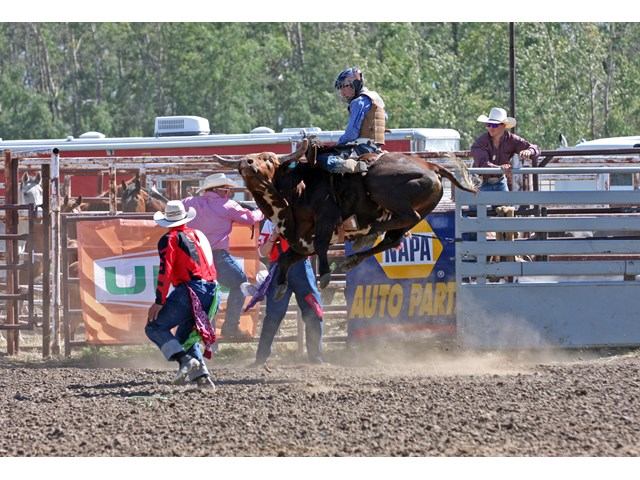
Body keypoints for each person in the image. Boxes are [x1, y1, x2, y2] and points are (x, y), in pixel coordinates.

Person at [145, 200, 218, 389]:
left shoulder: (169, 239)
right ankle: (202, 377)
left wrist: (159, 301)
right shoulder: (197, 235)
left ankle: (185, 361)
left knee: (154, 327)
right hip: (211, 291)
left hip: (190, 290)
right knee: (185, 335)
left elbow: (165, 271)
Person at [183, 173, 264, 339]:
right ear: (218, 190)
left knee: (207, 296)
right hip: (217, 256)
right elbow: (250, 219)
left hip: (195, 258)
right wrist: (261, 211)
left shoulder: (189, 203)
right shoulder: (228, 205)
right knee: (240, 284)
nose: (228, 193)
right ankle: (230, 326)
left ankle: (208, 338)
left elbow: (173, 209)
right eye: (226, 190)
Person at [251, 219, 324, 366]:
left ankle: (315, 358)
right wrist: (274, 236)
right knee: (273, 315)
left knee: (314, 312)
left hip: (300, 266)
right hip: (281, 268)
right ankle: (261, 359)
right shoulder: (271, 223)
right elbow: (262, 252)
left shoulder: (304, 217)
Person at [316, 66, 386, 174]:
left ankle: (351, 166)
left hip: (362, 148)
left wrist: (338, 144)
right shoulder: (375, 98)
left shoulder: (358, 102)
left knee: (322, 159)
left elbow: (352, 133)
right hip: (375, 147)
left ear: (355, 84)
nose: (342, 93)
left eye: (343, 87)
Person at [471, 107, 540, 192]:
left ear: (504, 126)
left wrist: (529, 151)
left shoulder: (512, 139)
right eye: (488, 125)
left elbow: (535, 149)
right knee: (475, 205)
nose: (491, 128)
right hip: (480, 182)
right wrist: (500, 168)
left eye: (495, 125)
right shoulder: (479, 143)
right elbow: (482, 164)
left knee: (505, 205)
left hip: (500, 182)